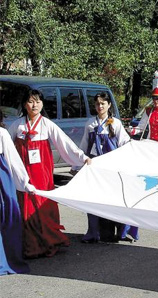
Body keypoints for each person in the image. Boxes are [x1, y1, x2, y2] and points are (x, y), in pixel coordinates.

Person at [8, 89, 91, 258]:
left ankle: (46, 242)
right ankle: (28, 245)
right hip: (22, 173)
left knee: (41, 205)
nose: (35, 105)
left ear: (42, 104)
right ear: (25, 104)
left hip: (41, 174)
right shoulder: (18, 125)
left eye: (38, 101)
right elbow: (6, 145)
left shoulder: (46, 124)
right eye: (31, 101)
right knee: (24, 204)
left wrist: (82, 158)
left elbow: (64, 142)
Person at [76, 92, 136, 243]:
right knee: (93, 200)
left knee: (114, 199)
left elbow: (125, 144)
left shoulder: (115, 123)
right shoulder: (90, 124)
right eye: (97, 104)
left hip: (112, 167)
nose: (100, 106)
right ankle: (93, 233)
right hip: (95, 167)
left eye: (103, 103)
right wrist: (77, 164)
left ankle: (119, 232)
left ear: (109, 105)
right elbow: (84, 145)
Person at [0, 123, 35, 275]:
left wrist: (24, 183)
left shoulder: (1, 133)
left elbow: (12, 159)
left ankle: (5, 260)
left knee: (7, 217)